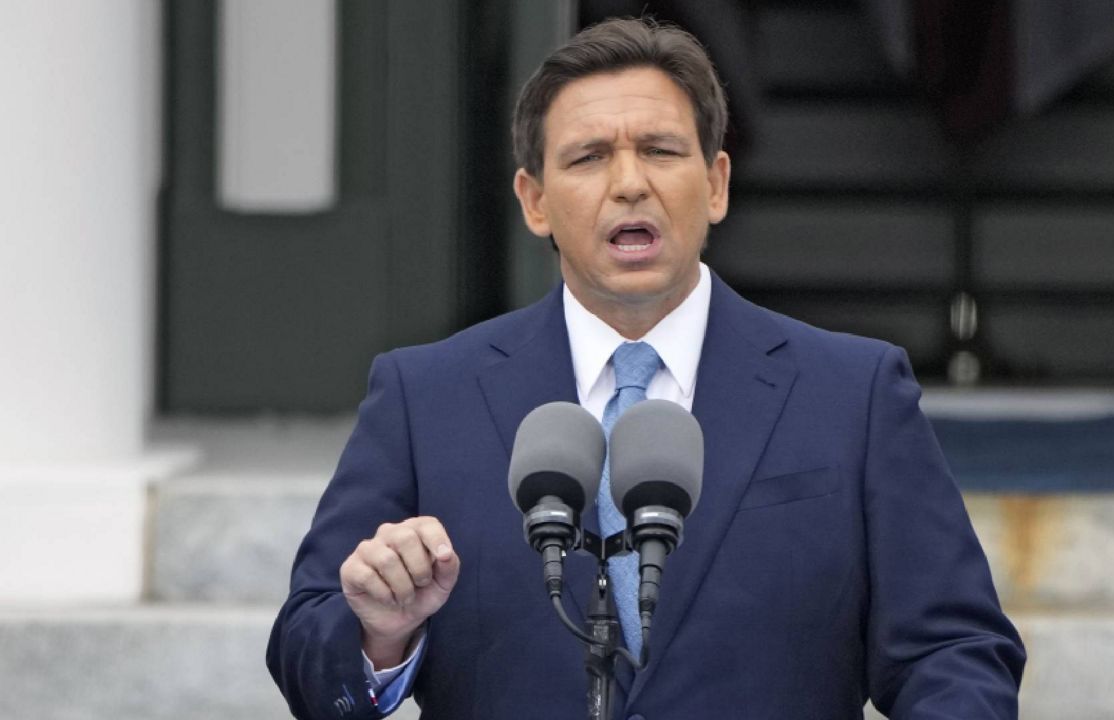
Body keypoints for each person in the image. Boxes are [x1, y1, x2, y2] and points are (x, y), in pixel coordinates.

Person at [267, 17, 1024, 720]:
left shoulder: (852, 394)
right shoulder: (424, 395)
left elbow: (952, 650)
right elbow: (306, 651)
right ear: (534, 201)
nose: (630, 183)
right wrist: (380, 637)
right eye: (589, 157)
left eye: (660, 150)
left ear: (717, 183)